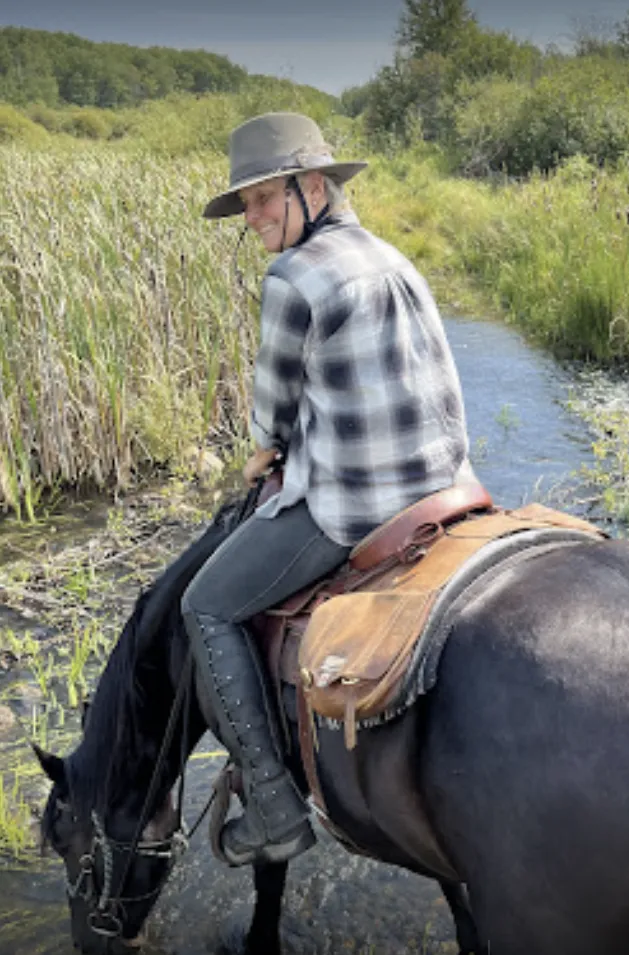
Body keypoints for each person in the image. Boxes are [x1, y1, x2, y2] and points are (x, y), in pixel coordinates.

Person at [182, 112, 471, 866]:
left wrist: (262, 454)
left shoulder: (292, 276)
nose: (252, 219)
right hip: (443, 480)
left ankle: (276, 811)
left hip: (358, 500)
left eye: (264, 199)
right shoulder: (391, 255)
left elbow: (274, 409)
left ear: (315, 187)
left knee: (204, 606)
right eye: (244, 205)